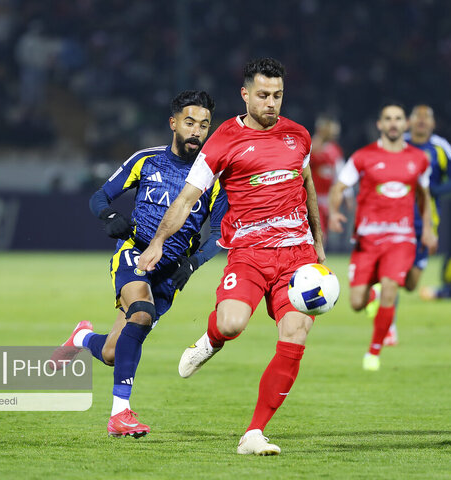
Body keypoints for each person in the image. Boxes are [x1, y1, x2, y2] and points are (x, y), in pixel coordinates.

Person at [137, 58, 325, 456]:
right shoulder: (223, 139)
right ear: (245, 94)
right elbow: (188, 199)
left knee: (295, 334)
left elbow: (307, 187)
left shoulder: (299, 136)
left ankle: (254, 432)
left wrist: (319, 248)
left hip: (297, 256)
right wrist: (156, 243)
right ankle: (210, 338)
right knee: (233, 323)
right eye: (262, 95)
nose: (271, 103)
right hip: (250, 254)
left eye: (277, 95)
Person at [52, 90, 228, 438]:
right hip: (135, 252)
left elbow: (222, 232)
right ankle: (120, 415)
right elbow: (99, 196)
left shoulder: (214, 177)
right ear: (173, 123)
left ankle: (83, 337)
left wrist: (192, 265)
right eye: (190, 122)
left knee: (113, 352)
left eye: (204, 125)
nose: (196, 131)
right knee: (142, 312)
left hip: (172, 270)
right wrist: (110, 216)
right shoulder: (146, 160)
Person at [328, 103, 438, 372]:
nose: (392, 123)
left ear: (405, 125)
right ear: (379, 125)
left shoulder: (419, 159)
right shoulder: (363, 157)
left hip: (401, 236)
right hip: (367, 239)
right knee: (356, 303)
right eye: (387, 119)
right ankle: (373, 295)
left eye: (398, 119)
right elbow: (340, 186)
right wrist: (333, 212)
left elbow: (424, 196)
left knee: (391, 287)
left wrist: (427, 228)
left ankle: (373, 352)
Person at [377, 104, 451, 345]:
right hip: (395, 219)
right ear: (409, 123)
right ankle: (388, 326)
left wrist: (433, 190)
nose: (422, 122)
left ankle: (383, 292)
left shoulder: (441, 148)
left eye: (427, 118)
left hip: (426, 220)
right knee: (393, 272)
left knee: (412, 282)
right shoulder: (393, 143)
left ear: (433, 124)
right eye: (418, 118)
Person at [309, 115, 345, 239]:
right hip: (313, 197)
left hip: (328, 198)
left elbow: (340, 173)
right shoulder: (312, 147)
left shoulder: (335, 150)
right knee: (318, 232)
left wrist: (346, 194)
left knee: (324, 233)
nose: (335, 133)